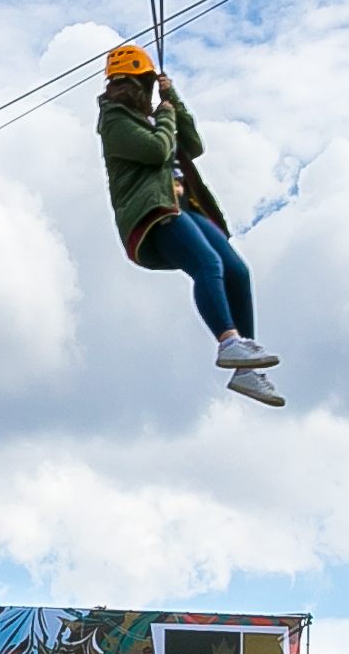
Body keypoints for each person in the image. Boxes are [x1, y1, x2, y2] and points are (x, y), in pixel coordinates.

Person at [97, 41, 282, 405]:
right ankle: (228, 342)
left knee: (237, 271)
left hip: (185, 203)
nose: (134, 91)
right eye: (135, 85)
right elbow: (156, 151)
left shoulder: (153, 114)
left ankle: (246, 371)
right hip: (153, 209)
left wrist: (173, 99)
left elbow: (192, 145)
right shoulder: (114, 121)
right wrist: (165, 117)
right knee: (207, 264)